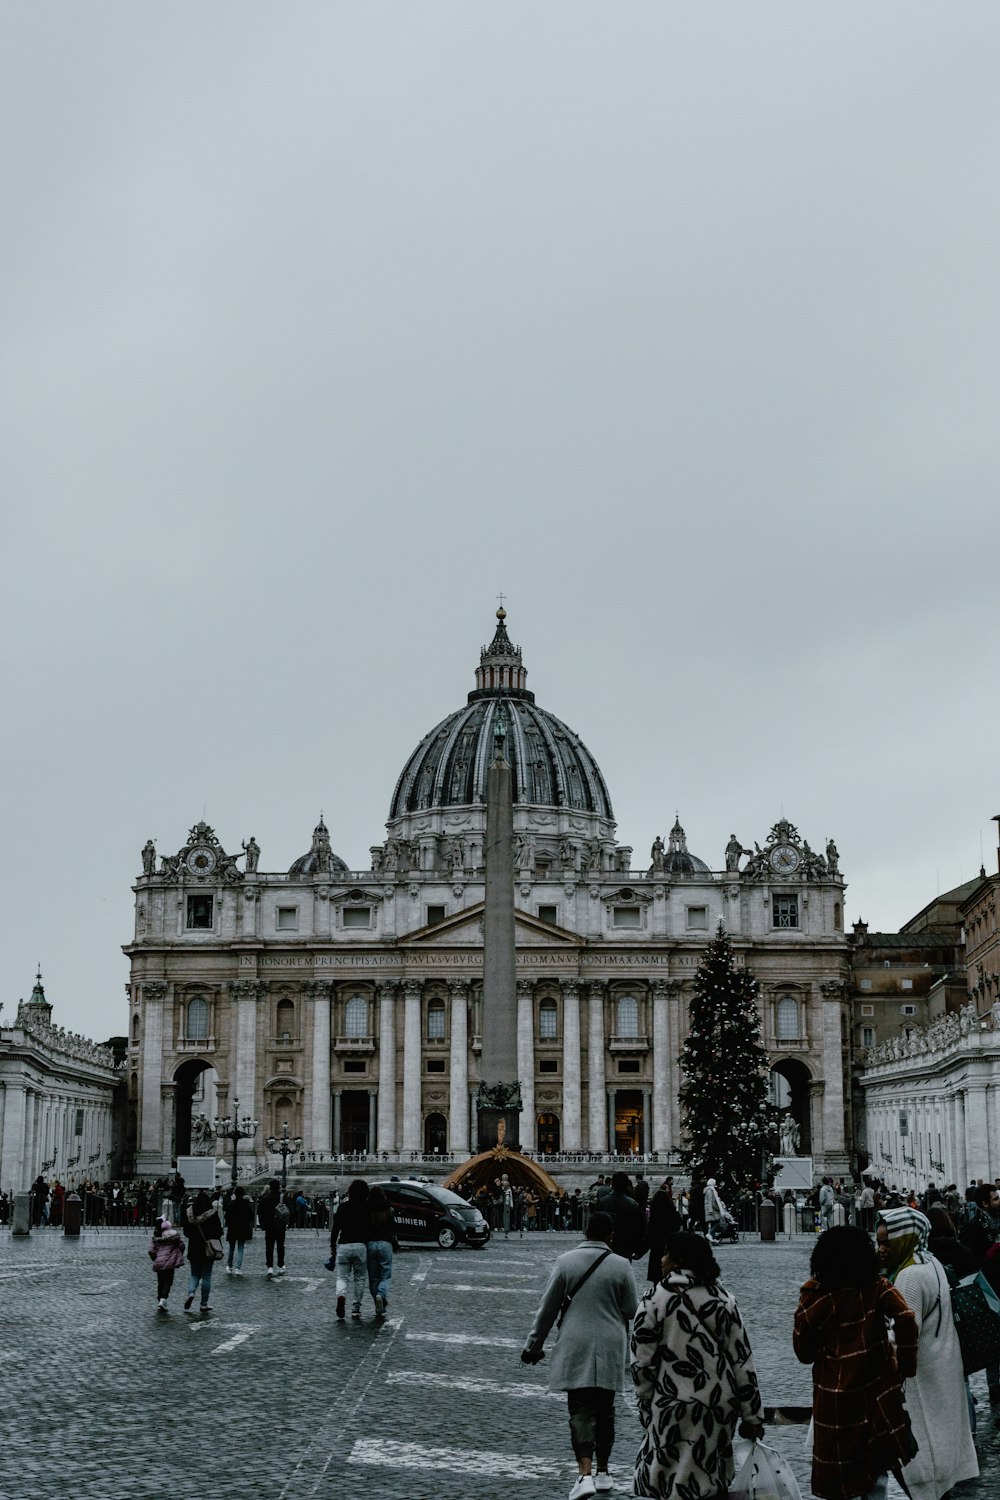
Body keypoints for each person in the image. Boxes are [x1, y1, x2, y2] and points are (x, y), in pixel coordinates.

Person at [632, 1230, 764, 1499]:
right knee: (708, 1476)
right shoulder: (724, 1299)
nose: (661, 1258)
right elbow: (742, 1360)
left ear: (678, 1259)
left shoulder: (654, 1299)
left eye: (666, 1252)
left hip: (670, 1403)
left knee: (670, 1476)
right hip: (716, 1405)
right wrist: (752, 1414)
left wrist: (647, 1403)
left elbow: (642, 1362)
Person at [795, 1223, 918, 1500]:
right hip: (875, 1389)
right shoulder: (876, 1288)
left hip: (832, 1394)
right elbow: (906, 1318)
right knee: (876, 1471)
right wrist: (905, 1365)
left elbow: (803, 1352)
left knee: (839, 1476)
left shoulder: (814, 1295)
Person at [521, 1211, 638, 1500]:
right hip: (611, 1342)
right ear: (610, 1235)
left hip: (576, 1341)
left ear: (585, 1232)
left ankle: (583, 1474)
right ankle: (604, 1472)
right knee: (606, 1408)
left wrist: (533, 1346)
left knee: (580, 1408)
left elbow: (547, 1310)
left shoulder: (565, 1262)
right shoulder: (622, 1265)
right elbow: (631, 1310)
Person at [876, 1208, 978, 1500]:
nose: (882, 1249)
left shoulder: (908, 1276)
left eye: (888, 1242)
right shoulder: (931, 1263)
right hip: (942, 1369)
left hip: (921, 1378)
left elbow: (905, 1334)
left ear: (907, 1239)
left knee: (920, 1458)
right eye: (879, 1241)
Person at [331, 1178, 370, 1320]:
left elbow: (335, 1229)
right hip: (360, 1246)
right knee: (359, 1278)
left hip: (344, 1245)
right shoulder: (367, 1207)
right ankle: (355, 1308)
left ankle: (341, 1296)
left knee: (342, 1276)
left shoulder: (342, 1207)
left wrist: (332, 1248)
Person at [183, 1190, 224, 1314]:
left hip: (194, 1248)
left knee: (195, 1275)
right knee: (206, 1276)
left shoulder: (190, 1214)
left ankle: (191, 1292)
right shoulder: (212, 1214)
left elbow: (186, 1233)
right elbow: (219, 1232)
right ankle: (204, 1304)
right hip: (208, 1249)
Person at [366, 1185, 397, 1319]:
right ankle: (381, 1294)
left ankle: (378, 1304)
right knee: (385, 1275)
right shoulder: (389, 1210)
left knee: (373, 1277)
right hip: (385, 1243)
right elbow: (393, 1228)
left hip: (370, 1244)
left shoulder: (366, 1210)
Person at [599, 1173, 646, 1262]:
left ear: (612, 1184)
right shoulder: (633, 1204)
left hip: (606, 1245)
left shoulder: (602, 1202)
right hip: (625, 1246)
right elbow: (640, 1228)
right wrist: (639, 1249)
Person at [643, 1179, 680, 1284]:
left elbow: (649, 1237)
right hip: (669, 1249)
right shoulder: (672, 1218)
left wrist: (640, 1251)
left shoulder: (655, 1219)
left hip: (657, 1248)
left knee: (657, 1276)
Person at [149, 1215, 186, 1312]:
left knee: (160, 1282)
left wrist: (156, 1259)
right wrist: (178, 1254)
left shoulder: (156, 1237)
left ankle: (159, 1300)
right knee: (168, 1282)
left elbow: (151, 1251)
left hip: (159, 1262)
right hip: (170, 1262)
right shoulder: (173, 1236)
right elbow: (181, 1245)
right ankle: (163, 1299)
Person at [257, 1178, 288, 1277]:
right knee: (280, 1246)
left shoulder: (265, 1198)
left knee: (269, 1247)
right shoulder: (282, 1197)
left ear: (270, 1187)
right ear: (279, 1187)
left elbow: (260, 1212)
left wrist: (262, 1224)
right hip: (280, 1225)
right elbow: (288, 1212)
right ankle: (280, 1265)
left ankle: (270, 1267)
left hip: (269, 1226)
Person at [224, 1184, 255, 1276]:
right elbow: (250, 1216)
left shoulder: (231, 1204)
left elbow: (227, 1217)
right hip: (242, 1228)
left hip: (233, 1228)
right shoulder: (245, 1204)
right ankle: (238, 1268)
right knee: (240, 1249)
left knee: (231, 1248)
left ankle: (229, 1266)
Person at [702, 1178, 726, 1242]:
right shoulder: (711, 1190)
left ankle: (711, 1238)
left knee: (713, 1223)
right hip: (712, 1210)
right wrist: (717, 1208)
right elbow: (711, 1201)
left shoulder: (708, 1190)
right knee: (717, 1222)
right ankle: (710, 1234)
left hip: (710, 1209)